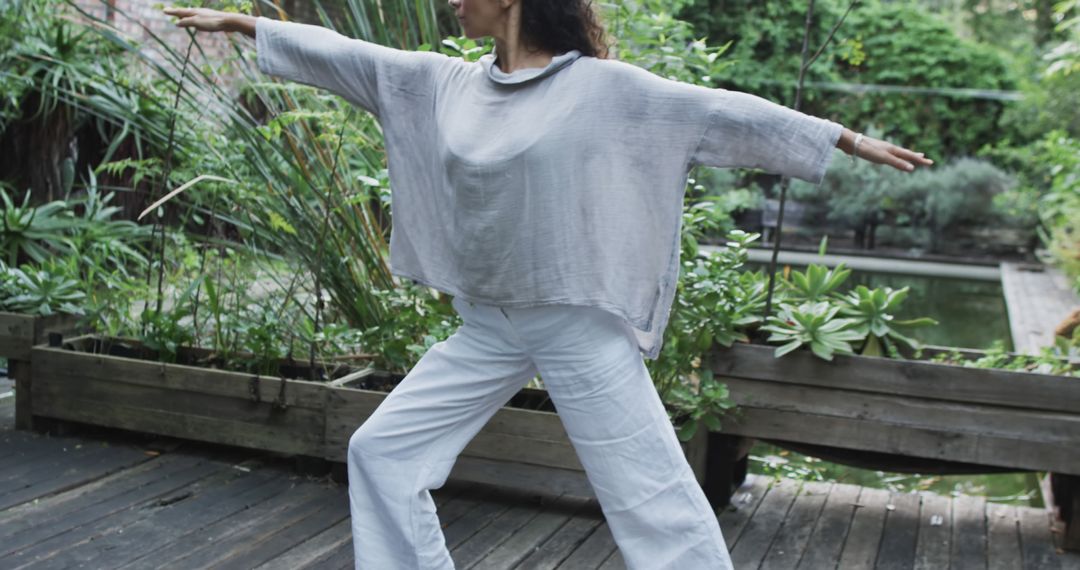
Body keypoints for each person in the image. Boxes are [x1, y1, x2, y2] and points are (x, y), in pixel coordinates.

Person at [165, 2, 933, 569]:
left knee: (651, 499)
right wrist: (247, 26)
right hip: (491, 325)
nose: (448, 3)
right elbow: (351, 57)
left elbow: (712, 112)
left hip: (575, 327)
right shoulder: (445, 84)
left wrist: (839, 137)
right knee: (382, 454)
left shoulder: (602, 89)